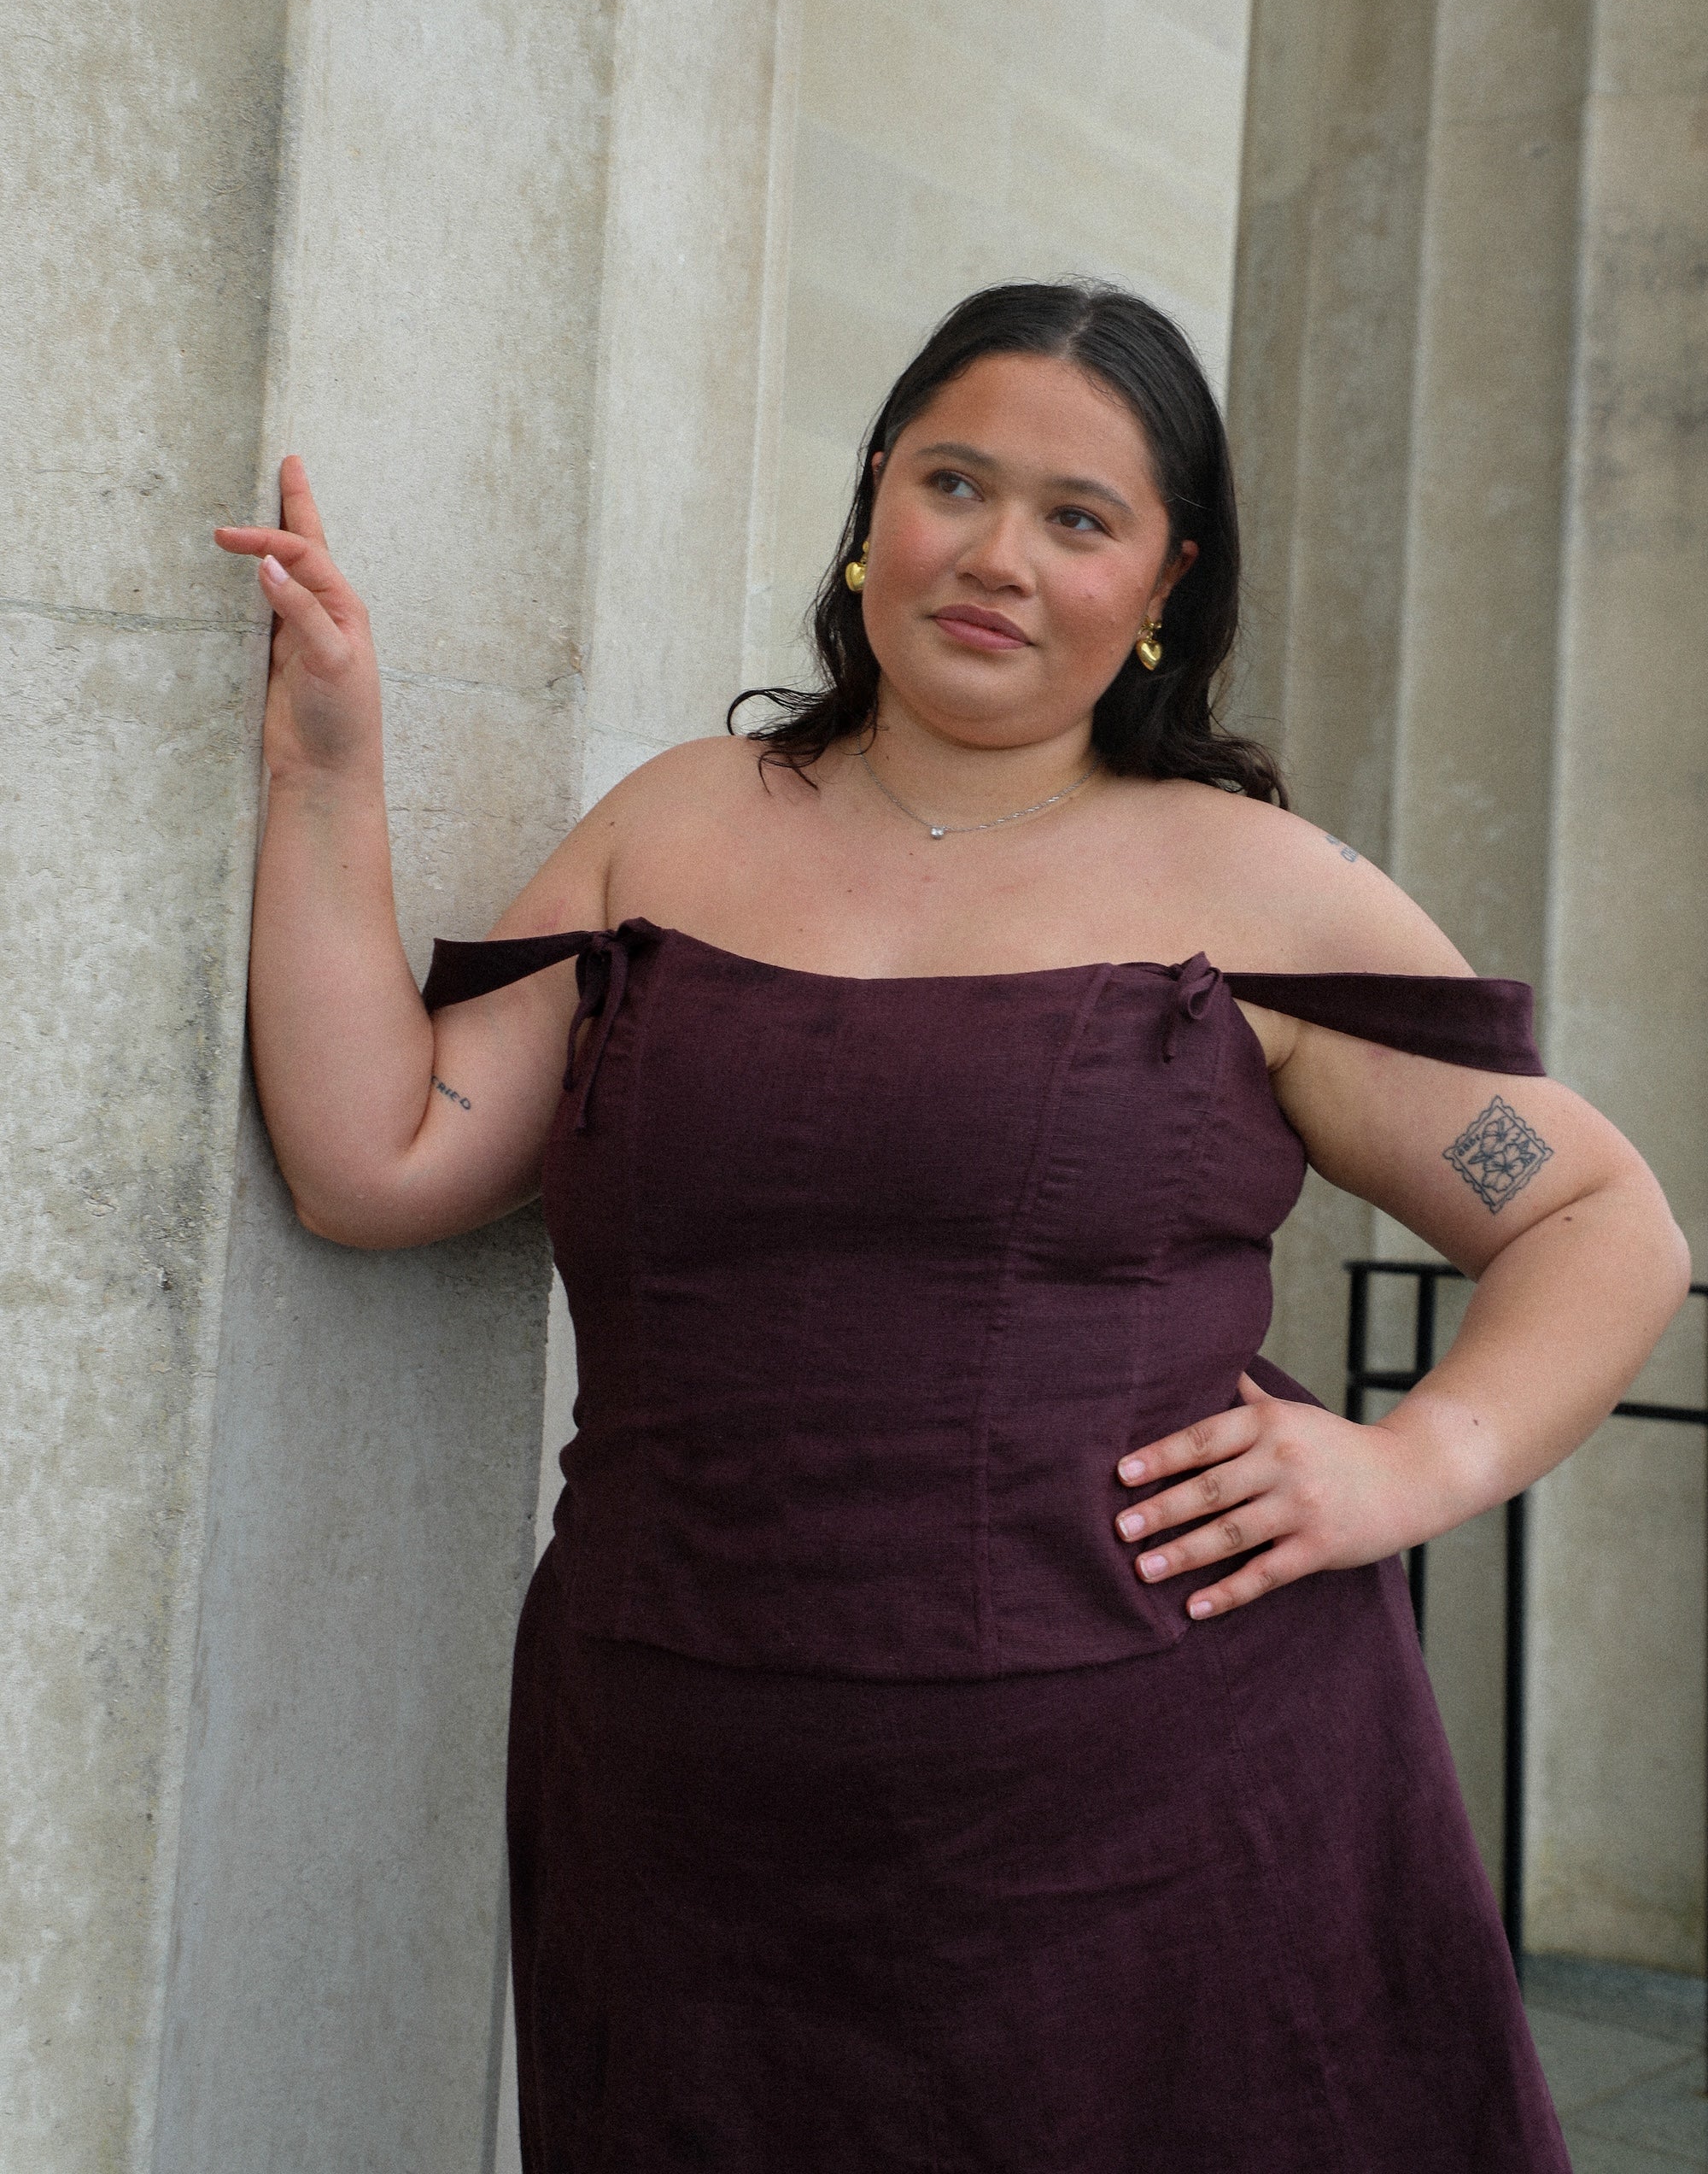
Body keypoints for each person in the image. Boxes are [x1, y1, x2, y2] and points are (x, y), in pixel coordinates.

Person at [216, 281, 1688, 2173]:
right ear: (873, 508)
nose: (998, 556)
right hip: (683, 1819)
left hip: (1162, 1824)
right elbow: (376, 1158)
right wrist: (326, 770)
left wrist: (1415, 1465)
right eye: (954, 483)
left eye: (1079, 518)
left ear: (1164, 583)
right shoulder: (670, 830)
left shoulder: (1263, 892)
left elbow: (1587, 1209)